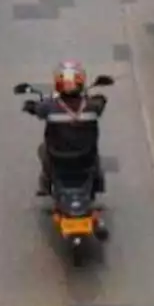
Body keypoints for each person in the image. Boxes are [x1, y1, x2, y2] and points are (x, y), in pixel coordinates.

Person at [28, 61, 108, 206]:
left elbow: (37, 109)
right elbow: (101, 102)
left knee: (42, 149)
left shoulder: (49, 106)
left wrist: (30, 106)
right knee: (96, 158)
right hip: (85, 158)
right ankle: (98, 184)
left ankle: (46, 184)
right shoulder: (92, 106)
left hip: (58, 159)